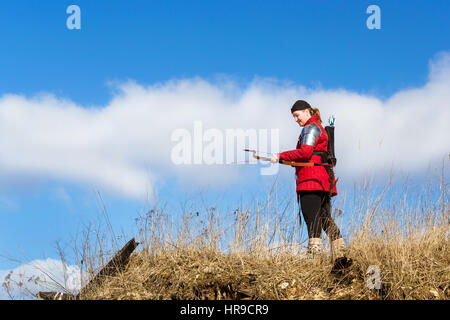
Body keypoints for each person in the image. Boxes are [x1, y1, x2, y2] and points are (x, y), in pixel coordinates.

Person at [271, 100, 346, 259]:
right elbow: (309, 156)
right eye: (294, 117)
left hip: (311, 180)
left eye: (297, 115)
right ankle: (341, 254)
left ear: (307, 111)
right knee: (324, 218)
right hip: (322, 180)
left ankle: (314, 257)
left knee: (312, 216)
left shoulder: (310, 128)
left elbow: (305, 153)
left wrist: (280, 156)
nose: (296, 120)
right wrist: (285, 160)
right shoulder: (318, 128)